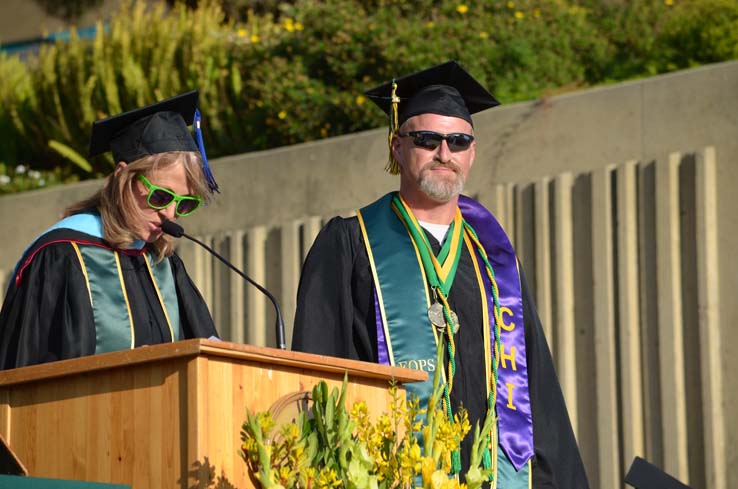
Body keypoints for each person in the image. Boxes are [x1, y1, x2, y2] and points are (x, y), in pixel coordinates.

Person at [292, 62, 589, 487]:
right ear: (397, 146)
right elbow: (318, 375)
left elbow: (535, 388)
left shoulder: (494, 261)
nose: (443, 153)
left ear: (472, 152)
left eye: (458, 141)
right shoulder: (350, 245)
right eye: (426, 139)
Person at [0, 91, 220, 370]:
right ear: (122, 177)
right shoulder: (62, 257)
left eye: (185, 203)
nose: (170, 214)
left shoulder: (163, 265)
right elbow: (31, 371)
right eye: (161, 196)